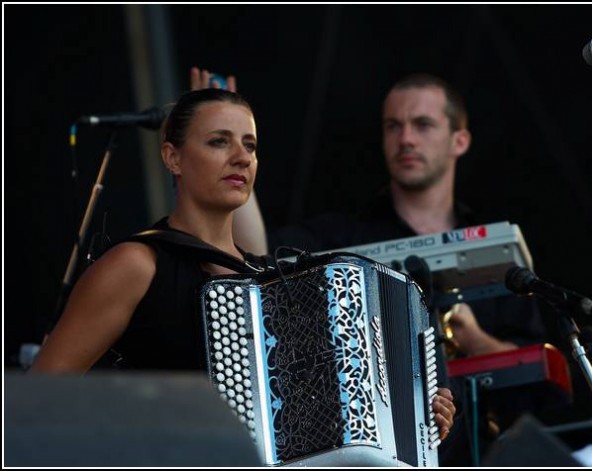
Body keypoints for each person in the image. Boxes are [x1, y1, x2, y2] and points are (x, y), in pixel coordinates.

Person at [29, 87, 456, 451]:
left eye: (249, 146)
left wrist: (419, 411)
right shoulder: (136, 263)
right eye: (219, 142)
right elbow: (41, 399)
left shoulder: (269, 280)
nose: (240, 157)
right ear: (172, 157)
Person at [210, 69, 547, 465]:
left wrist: (470, 337)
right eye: (393, 126)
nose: (405, 139)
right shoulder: (344, 236)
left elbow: (544, 386)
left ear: (460, 140)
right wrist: (223, 141)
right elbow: (258, 260)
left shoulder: (496, 254)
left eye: (422, 125)